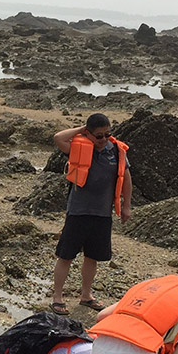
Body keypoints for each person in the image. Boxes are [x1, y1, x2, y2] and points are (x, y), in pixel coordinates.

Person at [50, 113, 132, 315]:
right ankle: (57, 297)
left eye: (107, 134)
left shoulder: (117, 151)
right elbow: (58, 138)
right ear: (89, 133)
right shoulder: (78, 147)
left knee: (92, 257)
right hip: (78, 212)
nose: (103, 139)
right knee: (66, 256)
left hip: (102, 214)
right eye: (98, 136)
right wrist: (81, 130)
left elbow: (127, 179)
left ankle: (86, 296)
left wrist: (126, 206)